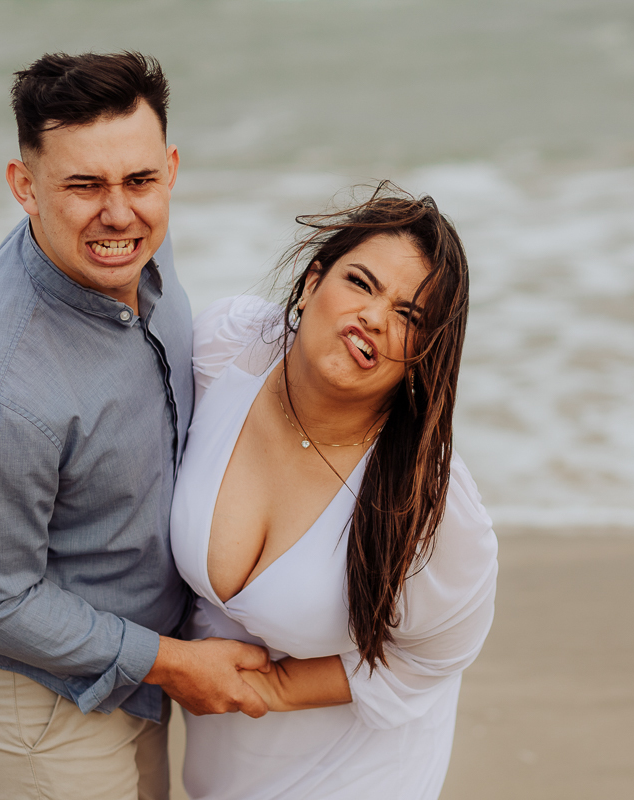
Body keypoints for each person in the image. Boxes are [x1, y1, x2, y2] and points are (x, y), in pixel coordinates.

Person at [0, 51, 269, 800]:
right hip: (25, 688)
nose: (118, 214)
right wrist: (170, 659)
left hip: (135, 652)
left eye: (139, 180)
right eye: (84, 186)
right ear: (25, 187)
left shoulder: (135, 244)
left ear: (170, 168)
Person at [170, 185, 499, 799]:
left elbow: (430, 658)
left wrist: (271, 688)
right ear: (311, 282)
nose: (374, 317)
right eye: (361, 283)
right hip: (226, 758)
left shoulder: (431, 506)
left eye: (408, 315)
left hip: (358, 773)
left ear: (423, 353)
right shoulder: (226, 352)